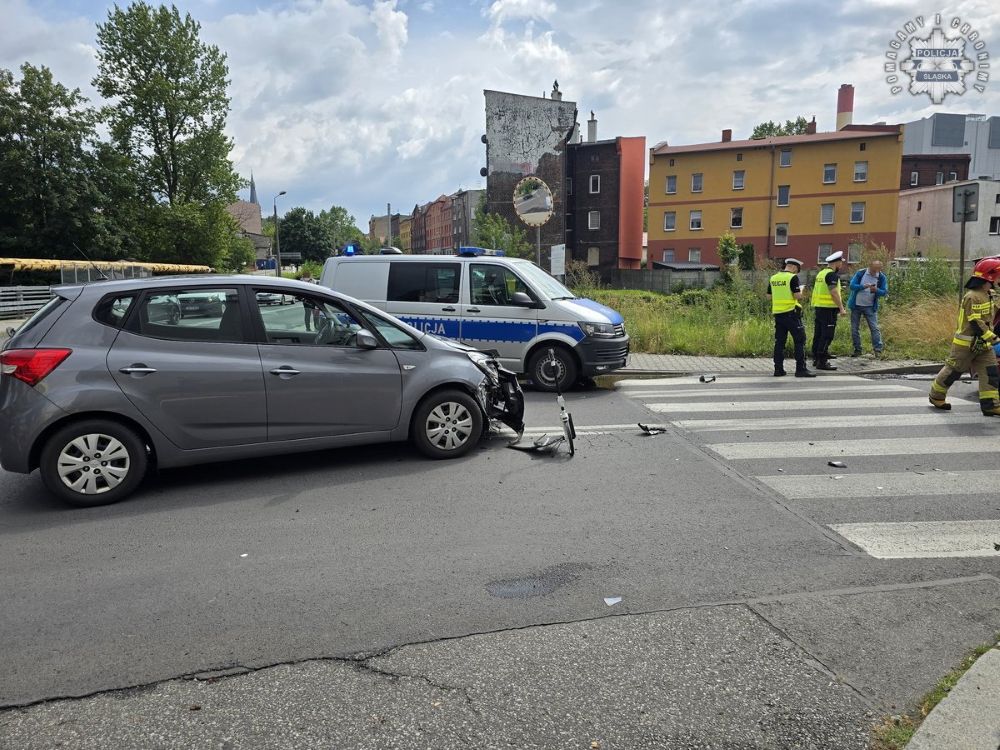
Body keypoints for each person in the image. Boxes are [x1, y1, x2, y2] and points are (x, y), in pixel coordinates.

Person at [928, 257, 1000, 416]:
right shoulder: (971, 296)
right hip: (966, 345)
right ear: (990, 276)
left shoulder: (990, 294)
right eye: (998, 275)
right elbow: (976, 322)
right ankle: (936, 396)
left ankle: (990, 405)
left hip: (983, 345)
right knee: (953, 371)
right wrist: (993, 339)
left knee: (990, 373)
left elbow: (995, 310)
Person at [767, 258, 814, 377]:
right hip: (791, 314)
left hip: (778, 314)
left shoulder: (773, 278)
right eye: (797, 270)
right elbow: (797, 296)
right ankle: (801, 369)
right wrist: (802, 290)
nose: (796, 273)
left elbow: (768, 296)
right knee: (800, 340)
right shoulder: (792, 278)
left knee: (779, 342)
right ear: (793, 267)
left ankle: (778, 370)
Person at [810, 250, 847, 371]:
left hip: (819, 307)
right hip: (828, 309)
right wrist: (841, 307)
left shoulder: (821, 273)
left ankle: (816, 357)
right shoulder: (831, 275)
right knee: (827, 336)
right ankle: (822, 361)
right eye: (840, 263)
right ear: (836, 263)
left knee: (819, 334)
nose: (841, 265)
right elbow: (833, 292)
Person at [848, 260, 888, 356]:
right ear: (869, 266)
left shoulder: (881, 277)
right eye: (874, 270)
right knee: (854, 329)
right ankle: (857, 350)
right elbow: (852, 286)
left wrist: (876, 290)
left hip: (870, 306)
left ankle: (878, 350)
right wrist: (862, 286)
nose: (876, 272)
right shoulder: (861, 273)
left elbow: (885, 292)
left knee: (874, 328)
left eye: (878, 270)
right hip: (856, 305)